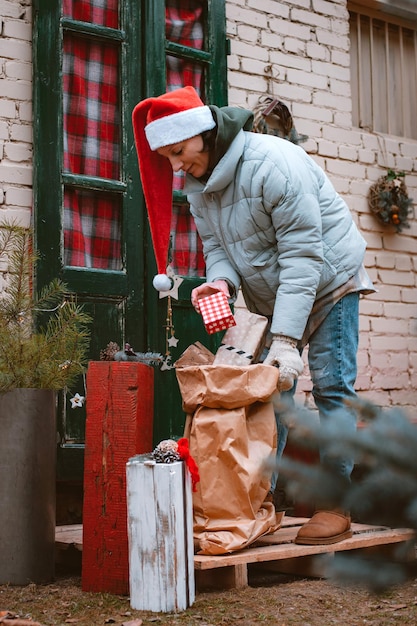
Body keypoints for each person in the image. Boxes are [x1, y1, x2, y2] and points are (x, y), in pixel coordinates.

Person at [132, 86, 375, 546]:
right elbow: (218, 248)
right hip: (273, 294)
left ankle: (335, 504)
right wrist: (221, 283)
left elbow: (305, 257)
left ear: (204, 133)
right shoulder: (197, 187)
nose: (176, 165)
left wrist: (284, 340)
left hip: (328, 283)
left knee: (331, 389)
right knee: (266, 395)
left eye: (179, 151)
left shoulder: (274, 164)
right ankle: (257, 502)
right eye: (167, 157)